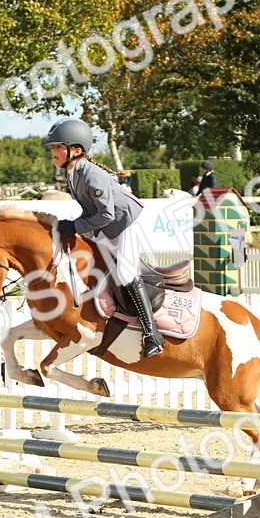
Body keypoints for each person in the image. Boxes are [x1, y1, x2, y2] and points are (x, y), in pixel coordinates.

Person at [45, 118, 164, 358]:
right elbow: (92, 212)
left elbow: (107, 214)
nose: (53, 151)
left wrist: (76, 226)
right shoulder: (73, 174)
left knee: (125, 273)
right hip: (110, 224)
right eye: (53, 147)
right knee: (94, 260)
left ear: (75, 149)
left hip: (126, 222)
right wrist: (73, 227)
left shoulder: (92, 175)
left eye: (57, 146)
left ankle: (153, 334)